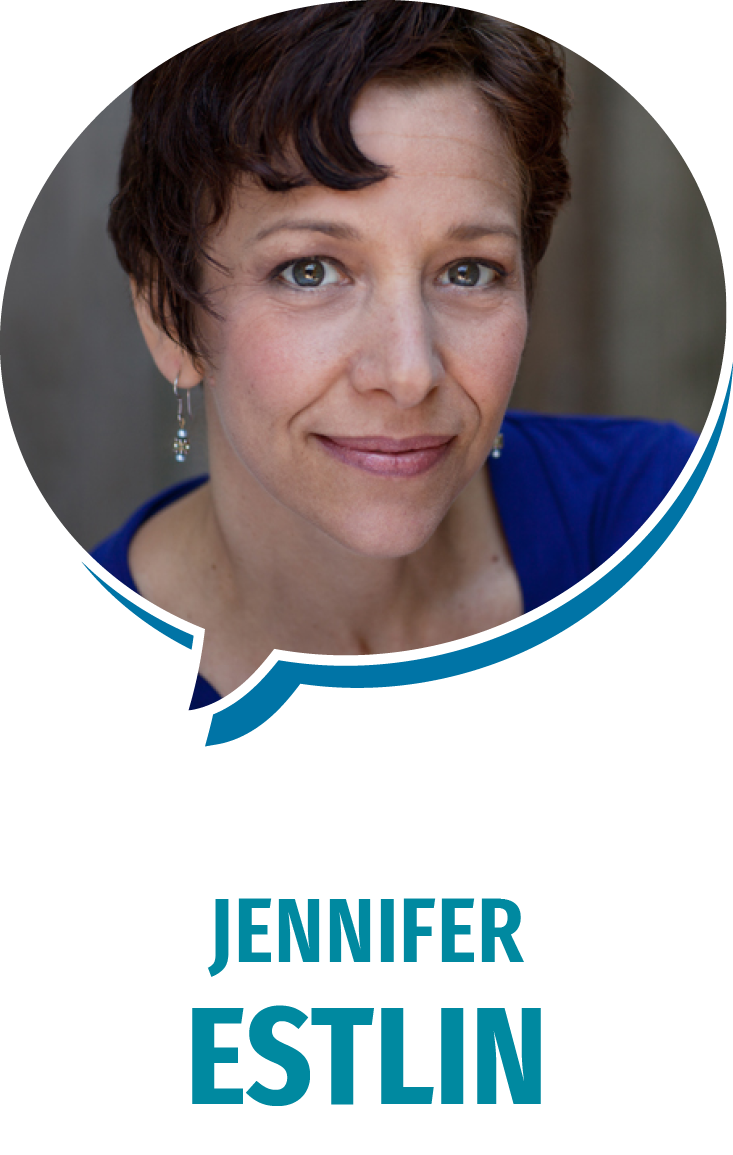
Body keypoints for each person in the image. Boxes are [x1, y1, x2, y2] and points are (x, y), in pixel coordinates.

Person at [87, 4, 707, 1144]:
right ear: (170, 317)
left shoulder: (657, 536)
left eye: (467, 270)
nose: (410, 371)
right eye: (313, 269)